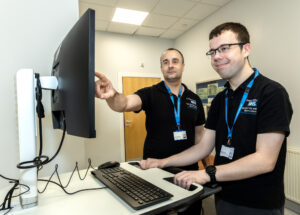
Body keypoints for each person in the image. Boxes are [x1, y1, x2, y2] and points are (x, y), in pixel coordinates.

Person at [140, 22, 293, 215]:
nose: (217, 56)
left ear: (246, 49)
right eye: (212, 52)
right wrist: (162, 162)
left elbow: (265, 160)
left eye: (224, 48)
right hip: (224, 195)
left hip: (259, 203)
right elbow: (203, 147)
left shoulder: (271, 93)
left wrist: (206, 174)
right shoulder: (221, 99)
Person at [95, 48, 206, 214]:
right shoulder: (150, 93)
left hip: (188, 170)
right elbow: (124, 103)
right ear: (161, 68)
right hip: (155, 169)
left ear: (183, 66)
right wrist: (112, 95)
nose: (170, 65)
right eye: (165, 62)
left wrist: (205, 168)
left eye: (175, 61)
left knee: (191, 211)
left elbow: (200, 137)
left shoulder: (194, 99)